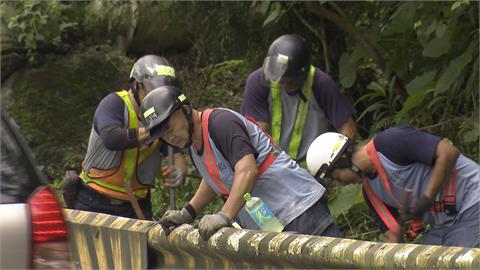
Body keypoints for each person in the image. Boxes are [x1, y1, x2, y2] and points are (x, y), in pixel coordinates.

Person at [139, 85, 342, 240]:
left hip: (298, 207)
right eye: (162, 135)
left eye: (169, 128)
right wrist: (188, 212)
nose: (169, 137)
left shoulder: (220, 123)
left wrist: (224, 215)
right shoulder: (194, 144)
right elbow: (214, 178)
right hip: (272, 219)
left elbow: (247, 170)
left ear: (185, 109)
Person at [305, 127, 480, 247]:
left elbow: (448, 152)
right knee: (425, 261)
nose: (341, 183)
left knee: (455, 257)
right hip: (444, 227)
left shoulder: (390, 142)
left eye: (337, 177)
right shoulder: (371, 193)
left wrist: (427, 198)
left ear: (342, 158)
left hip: (472, 198)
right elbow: (392, 236)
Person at [72, 55, 187, 220]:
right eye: (152, 91)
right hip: (94, 200)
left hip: (136, 206)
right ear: (135, 85)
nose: (157, 98)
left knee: (144, 247)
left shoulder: (163, 112)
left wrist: (179, 170)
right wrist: (154, 129)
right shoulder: (114, 104)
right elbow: (112, 138)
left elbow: (176, 153)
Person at [241, 34, 358, 166]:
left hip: (311, 170)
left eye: (289, 82)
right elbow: (257, 132)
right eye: (279, 80)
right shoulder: (257, 82)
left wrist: (332, 163)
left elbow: (348, 129)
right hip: (272, 165)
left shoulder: (321, 84)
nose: (282, 84)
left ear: (303, 74)